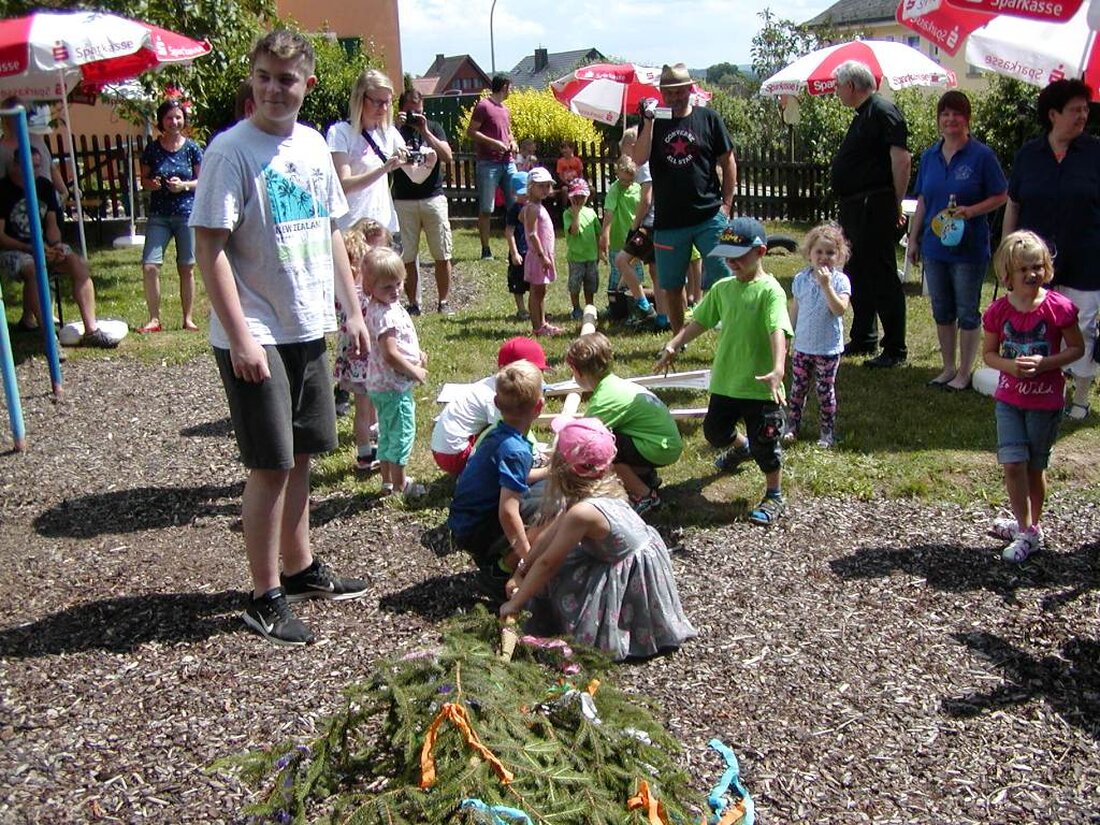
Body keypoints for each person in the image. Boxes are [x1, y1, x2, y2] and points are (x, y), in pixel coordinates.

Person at [191, 30, 371, 646]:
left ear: (307, 85)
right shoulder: (230, 152)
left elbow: (327, 234)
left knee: (303, 455)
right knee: (269, 463)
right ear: (253, 77)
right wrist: (241, 336)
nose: (274, 88)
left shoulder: (315, 148)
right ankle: (263, 595)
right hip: (257, 329)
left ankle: (300, 568)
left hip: (306, 324)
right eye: (264, 76)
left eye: (286, 79)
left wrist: (351, 313)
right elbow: (209, 247)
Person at [498, 416, 696, 662]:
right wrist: (522, 569)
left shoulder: (584, 512)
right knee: (555, 565)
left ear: (561, 467)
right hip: (618, 554)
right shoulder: (599, 487)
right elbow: (549, 537)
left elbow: (548, 563)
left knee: (558, 575)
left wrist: (515, 603)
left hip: (629, 572)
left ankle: (606, 626)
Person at [655, 217, 792, 526]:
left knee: (766, 445)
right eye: (727, 256)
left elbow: (777, 330)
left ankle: (774, 495)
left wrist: (778, 369)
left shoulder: (770, 291)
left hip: (760, 387)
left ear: (760, 252)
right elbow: (701, 320)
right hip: (727, 382)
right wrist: (676, 343)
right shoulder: (722, 288)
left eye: (738, 256)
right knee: (715, 432)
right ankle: (740, 448)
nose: (731, 262)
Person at [981, 231, 1083, 563]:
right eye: (1023, 269)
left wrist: (1046, 364)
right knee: (1012, 463)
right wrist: (1010, 365)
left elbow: (1077, 349)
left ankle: (1031, 525)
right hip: (1009, 399)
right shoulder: (998, 312)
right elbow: (989, 355)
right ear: (1007, 274)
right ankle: (1025, 529)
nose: (1032, 275)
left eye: (1037, 267)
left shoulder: (1058, 308)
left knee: (1034, 468)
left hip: (1045, 401)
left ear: (1047, 269)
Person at [1002, 79, 1100, 421]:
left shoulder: (1095, 154)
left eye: (1086, 109)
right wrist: (1007, 253)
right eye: (1076, 110)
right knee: (1037, 325)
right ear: (1053, 114)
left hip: (1085, 258)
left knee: (1082, 324)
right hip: (1033, 262)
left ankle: (1082, 394)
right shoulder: (1029, 155)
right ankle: (1045, 388)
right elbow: (1013, 206)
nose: (1083, 115)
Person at [907, 91, 1007, 391]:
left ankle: (965, 372)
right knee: (941, 308)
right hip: (935, 248)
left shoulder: (982, 156)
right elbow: (923, 199)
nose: (950, 119)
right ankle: (948, 367)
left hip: (969, 249)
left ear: (967, 119)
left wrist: (972, 211)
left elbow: (1001, 195)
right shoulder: (929, 157)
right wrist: (914, 239)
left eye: (957, 114)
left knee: (966, 310)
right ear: (939, 120)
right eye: (945, 114)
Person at [633, 63, 737, 333]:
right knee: (671, 285)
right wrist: (647, 122)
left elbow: (728, 161)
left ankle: (734, 331)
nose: (676, 98)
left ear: (690, 90)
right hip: (668, 221)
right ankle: (679, 338)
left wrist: (727, 203)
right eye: (670, 93)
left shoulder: (709, 118)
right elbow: (639, 158)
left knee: (726, 275)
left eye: (680, 92)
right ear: (662, 93)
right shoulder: (656, 121)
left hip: (709, 214)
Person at [830, 60, 911, 369]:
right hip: (856, 205)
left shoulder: (882, 111)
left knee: (881, 273)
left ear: (851, 86)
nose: (837, 92)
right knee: (858, 270)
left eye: (839, 86)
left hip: (873, 204)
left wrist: (895, 203)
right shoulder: (865, 113)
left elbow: (901, 160)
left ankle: (895, 347)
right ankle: (864, 335)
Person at [447, 359, 546, 598]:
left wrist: (549, 471)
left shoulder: (497, 433)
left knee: (548, 485)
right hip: (476, 529)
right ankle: (501, 570)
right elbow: (507, 512)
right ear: (539, 407)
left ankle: (503, 558)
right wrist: (527, 558)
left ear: (496, 403)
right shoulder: (516, 450)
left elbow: (514, 480)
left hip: (466, 520)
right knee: (554, 507)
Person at [0, 147, 115, 348]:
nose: (35, 172)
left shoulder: (44, 186)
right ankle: (50, 339)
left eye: (38, 167)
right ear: (16, 166)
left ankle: (91, 330)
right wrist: (31, 248)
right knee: (35, 271)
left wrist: (56, 245)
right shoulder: (2, 190)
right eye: (30, 167)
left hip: (45, 246)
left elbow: (52, 226)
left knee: (77, 263)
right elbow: (1, 237)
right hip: (14, 249)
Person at [566, 332, 682, 514]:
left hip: (659, 447)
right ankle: (644, 477)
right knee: (611, 438)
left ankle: (646, 496)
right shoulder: (614, 383)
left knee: (601, 449)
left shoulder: (605, 398)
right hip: (664, 442)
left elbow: (581, 438)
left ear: (578, 371)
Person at [360, 247, 428, 498]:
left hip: (380, 385)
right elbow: (390, 353)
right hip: (394, 386)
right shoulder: (386, 314)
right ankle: (402, 486)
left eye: (398, 283)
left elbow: (398, 346)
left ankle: (387, 481)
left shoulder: (380, 306)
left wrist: (415, 354)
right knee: (401, 435)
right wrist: (415, 371)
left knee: (387, 433)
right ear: (370, 288)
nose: (395, 291)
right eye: (387, 287)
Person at [431, 336, 549, 475]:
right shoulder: (495, 396)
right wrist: (534, 452)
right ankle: (473, 471)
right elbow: (514, 428)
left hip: (444, 449)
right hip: (455, 455)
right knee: (506, 432)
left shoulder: (496, 385)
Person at [138, 99, 204, 333]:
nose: (174, 122)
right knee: (150, 266)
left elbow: (203, 181)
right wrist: (152, 184)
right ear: (161, 121)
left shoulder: (192, 149)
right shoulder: (153, 149)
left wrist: (184, 185)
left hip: (186, 214)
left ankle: (188, 318)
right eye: (169, 118)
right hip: (159, 215)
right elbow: (143, 180)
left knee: (187, 267)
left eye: (178, 117)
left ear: (184, 120)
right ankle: (154, 319)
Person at [784, 223, 852, 448]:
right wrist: (786, 337)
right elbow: (795, 310)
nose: (824, 257)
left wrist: (826, 286)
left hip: (827, 349)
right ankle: (792, 426)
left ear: (839, 255)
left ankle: (827, 432)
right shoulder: (801, 280)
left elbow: (839, 309)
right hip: (803, 347)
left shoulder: (840, 281)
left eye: (830, 253)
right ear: (809, 254)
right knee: (797, 389)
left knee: (824, 391)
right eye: (819, 252)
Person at [333, 219, 390, 472]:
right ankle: (365, 453)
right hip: (363, 358)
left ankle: (372, 447)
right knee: (364, 408)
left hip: (358, 357)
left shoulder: (347, 292)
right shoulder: (362, 295)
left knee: (368, 405)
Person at [393, 89, 455, 316]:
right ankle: (413, 303)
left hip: (433, 198)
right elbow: (382, 155)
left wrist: (426, 131)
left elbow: (447, 156)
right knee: (407, 255)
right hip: (404, 200)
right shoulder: (392, 132)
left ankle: (444, 302)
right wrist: (396, 127)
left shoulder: (434, 127)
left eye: (417, 112)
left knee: (442, 252)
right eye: (409, 112)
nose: (413, 116)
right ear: (400, 109)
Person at [327, 69, 408, 239]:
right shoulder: (340, 133)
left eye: (388, 102)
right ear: (360, 99)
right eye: (378, 102)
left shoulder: (389, 132)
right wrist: (383, 169)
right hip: (352, 229)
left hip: (385, 227)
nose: (384, 108)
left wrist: (428, 161)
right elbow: (344, 185)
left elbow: (415, 175)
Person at [467, 75, 518, 260]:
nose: (511, 90)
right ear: (504, 87)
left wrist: (513, 143)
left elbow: (509, 134)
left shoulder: (505, 109)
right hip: (488, 163)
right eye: (510, 87)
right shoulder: (483, 106)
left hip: (508, 161)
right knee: (487, 208)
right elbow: (471, 132)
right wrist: (494, 143)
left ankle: (515, 247)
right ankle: (486, 249)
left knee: (515, 206)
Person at [0, 98, 67, 202]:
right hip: (25, 206)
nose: (26, 118)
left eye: (26, 113)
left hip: (50, 200)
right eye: (18, 114)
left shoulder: (37, 140)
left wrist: (64, 192)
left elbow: (51, 168)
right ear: (6, 118)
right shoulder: (3, 150)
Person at [523, 167, 560, 336]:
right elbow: (532, 234)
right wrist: (542, 256)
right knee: (536, 291)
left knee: (541, 290)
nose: (545, 190)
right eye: (541, 186)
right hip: (539, 256)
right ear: (531, 187)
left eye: (547, 186)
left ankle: (543, 322)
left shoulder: (537, 206)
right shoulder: (532, 208)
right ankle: (537, 326)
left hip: (544, 255)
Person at [599, 154, 640, 289]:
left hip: (634, 239)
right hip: (618, 239)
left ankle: (635, 303)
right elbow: (609, 212)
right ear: (617, 173)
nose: (625, 184)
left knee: (635, 273)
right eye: (622, 180)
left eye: (629, 181)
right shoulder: (615, 189)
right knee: (618, 273)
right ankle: (615, 303)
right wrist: (605, 234)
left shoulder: (638, 188)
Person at [563, 178, 599, 320]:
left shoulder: (591, 213)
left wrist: (600, 252)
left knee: (591, 284)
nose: (578, 199)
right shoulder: (568, 214)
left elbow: (597, 233)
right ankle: (576, 308)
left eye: (582, 196)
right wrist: (576, 213)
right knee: (575, 285)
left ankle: (590, 307)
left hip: (591, 256)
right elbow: (574, 231)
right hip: (576, 258)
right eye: (575, 197)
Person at [505, 172, 531, 321]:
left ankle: (534, 308)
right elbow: (509, 232)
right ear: (514, 193)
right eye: (522, 193)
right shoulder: (514, 209)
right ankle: (522, 309)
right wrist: (514, 253)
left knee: (535, 282)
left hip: (532, 251)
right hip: (520, 251)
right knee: (518, 282)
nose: (526, 196)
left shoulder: (534, 207)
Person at [555, 139, 583, 210]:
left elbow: (580, 173)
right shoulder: (560, 161)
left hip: (576, 181)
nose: (564, 150)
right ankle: (564, 208)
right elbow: (560, 175)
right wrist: (568, 183)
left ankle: (582, 206)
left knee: (589, 189)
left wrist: (579, 182)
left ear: (572, 149)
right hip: (565, 183)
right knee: (564, 189)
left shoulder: (577, 160)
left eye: (566, 148)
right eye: (562, 149)